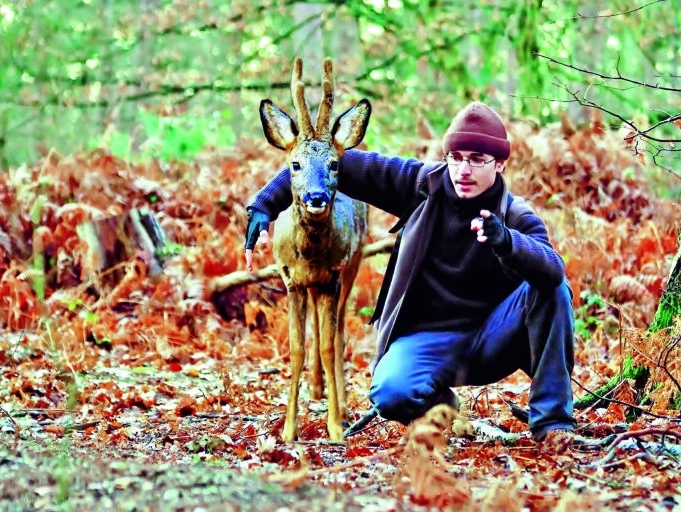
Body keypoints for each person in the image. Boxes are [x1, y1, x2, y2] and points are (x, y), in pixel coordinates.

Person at [244, 102, 576, 445]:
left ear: (500, 164)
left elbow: (553, 271)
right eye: (457, 157)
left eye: (477, 159)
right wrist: (265, 203)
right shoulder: (421, 186)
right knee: (391, 393)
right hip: (428, 341)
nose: (463, 169)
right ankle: (442, 405)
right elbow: (325, 161)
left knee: (553, 288)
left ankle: (552, 425)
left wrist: (507, 241)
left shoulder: (516, 214)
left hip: (493, 338)